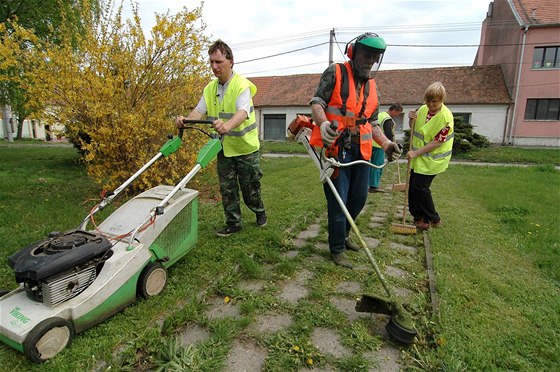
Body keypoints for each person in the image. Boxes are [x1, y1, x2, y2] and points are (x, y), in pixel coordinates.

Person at [309, 32, 401, 269]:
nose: (369, 60)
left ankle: (345, 234)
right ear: (352, 52)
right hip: (336, 148)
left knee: (358, 199)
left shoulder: (373, 86)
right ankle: (337, 248)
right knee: (339, 201)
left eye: (374, 57)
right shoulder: (336, 72)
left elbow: (372, 122)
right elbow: (317, 102)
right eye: (365, 54)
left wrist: (387, 144)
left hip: (362, 151)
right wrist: (323, 124)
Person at [176, 39, 266, 237]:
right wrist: (186, 120)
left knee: (250, 188)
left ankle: (259, 210)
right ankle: (233, 223)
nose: (214, 67)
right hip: (224, 148)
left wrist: (227, 125)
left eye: (219, 62)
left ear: (231, 61)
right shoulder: (210, 89)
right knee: (227, 189)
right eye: (211, 62)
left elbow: (243, 111)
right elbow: (199, 111)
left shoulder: (241, 85)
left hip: (246, 148)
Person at [407, 81, 454, 230]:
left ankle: (433, 219)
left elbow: (437, 142)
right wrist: (410, 119)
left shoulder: (446, 118)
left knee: (421, 188)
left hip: (433, 160)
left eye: (434, 101)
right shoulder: (422, 109)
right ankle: (419, 218)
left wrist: (415, 153)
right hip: (419, 159)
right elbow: (414, 128)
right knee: (413, 188)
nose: (431, 104)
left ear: (442, 100)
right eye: (428, 100)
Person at [369, 103, 403, 193]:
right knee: (377, 165)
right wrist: (391, 145)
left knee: (371, 165)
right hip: (380, 144)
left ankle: (370, 184)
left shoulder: (380, 115)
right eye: (398, 113)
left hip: (371, 142)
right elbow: (388, 134)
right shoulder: (387, 119)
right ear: (394, 110)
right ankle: (373, 186)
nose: (397, 115)